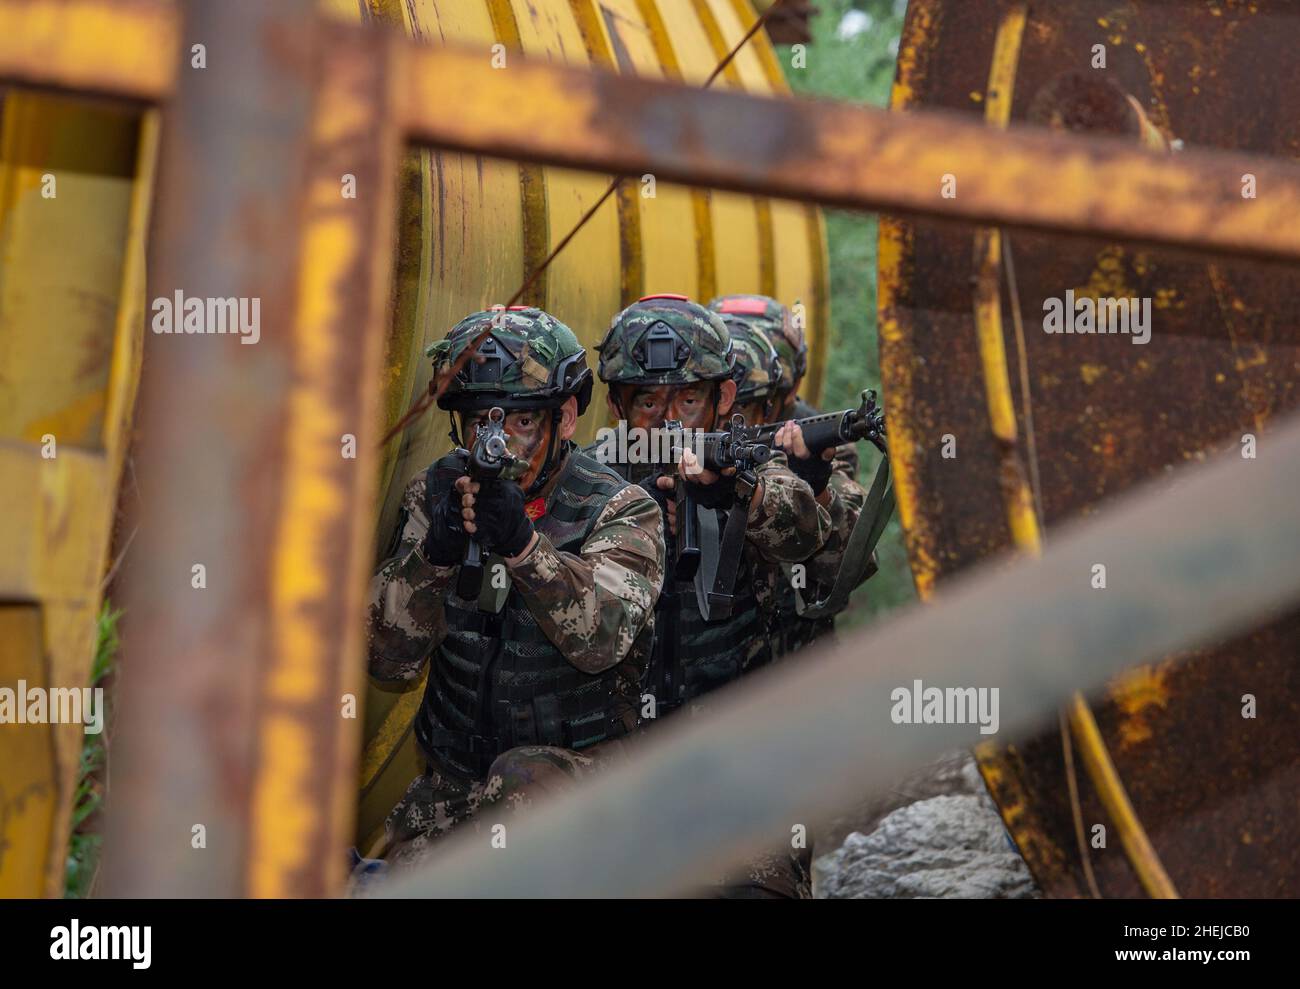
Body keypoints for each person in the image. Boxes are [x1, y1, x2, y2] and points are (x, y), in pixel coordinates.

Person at [366, 306, 665, 868]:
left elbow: (601, 640)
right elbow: (386, 663)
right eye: (480, 421)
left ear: (567, 416)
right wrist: (434, 557)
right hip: (454, 790)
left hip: (583, 790)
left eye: (521, 422)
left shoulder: (620, 507)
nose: (498, 442)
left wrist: (525, 547)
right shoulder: (435, 498)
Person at [594, 293, 829, 898]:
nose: (668, 420)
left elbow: (806, 530)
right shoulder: (590, 479)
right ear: (618, 405)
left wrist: (737, 496)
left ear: (723, 400)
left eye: (688, 399)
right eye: (647, 400)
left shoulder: (747, 464)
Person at [710, 294, 875, 655]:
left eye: (751, 404)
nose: (732, 420)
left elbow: (847, 568)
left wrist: (813, 488)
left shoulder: (822, 439)